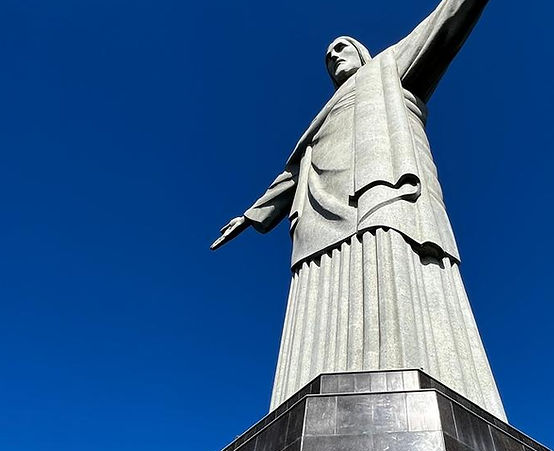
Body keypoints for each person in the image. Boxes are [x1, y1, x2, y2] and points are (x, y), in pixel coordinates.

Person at [210, 0, 506, 420]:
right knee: (316, 313)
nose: (332, 57)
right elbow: (291, 176)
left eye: (340, 47)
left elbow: (446, 22)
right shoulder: (319, 119)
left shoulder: (388, 70)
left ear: (362, 52)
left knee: (388, 282)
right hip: (317, 220)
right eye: (327, 55)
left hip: (379, 195)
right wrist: (251, 215)